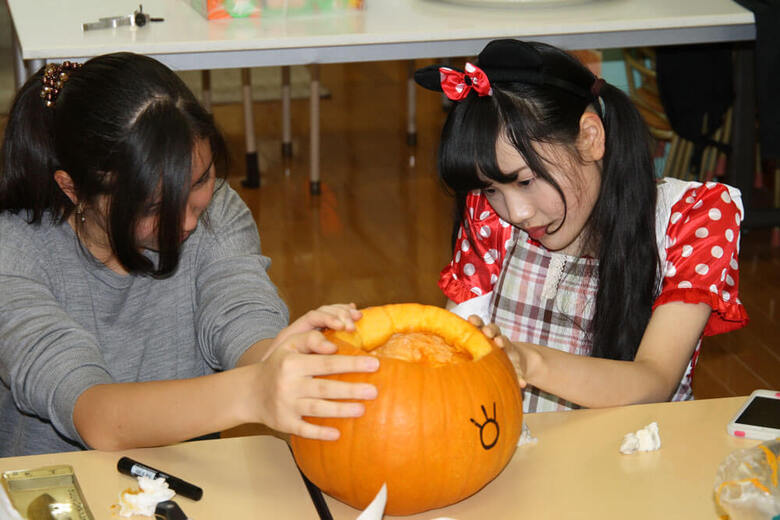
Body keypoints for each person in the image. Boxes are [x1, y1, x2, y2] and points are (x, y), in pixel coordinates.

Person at [0, 53, 379, 457]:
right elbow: (95, 416)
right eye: (151, 207)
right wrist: (254, 389)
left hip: (188, 480)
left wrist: (282, 359)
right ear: (73, 189)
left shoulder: (217, 211)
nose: (187, 220)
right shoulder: (16, 253)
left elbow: (240, 318)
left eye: (199, 180)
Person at [414, 40, 749, 413]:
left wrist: (528, 362)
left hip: (635, 457)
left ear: (590, 138)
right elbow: (452, 348)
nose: (517, 212)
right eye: (491, 188)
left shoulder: (692, 218)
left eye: (526, 181)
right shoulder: (488, 213)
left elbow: (653, 380)